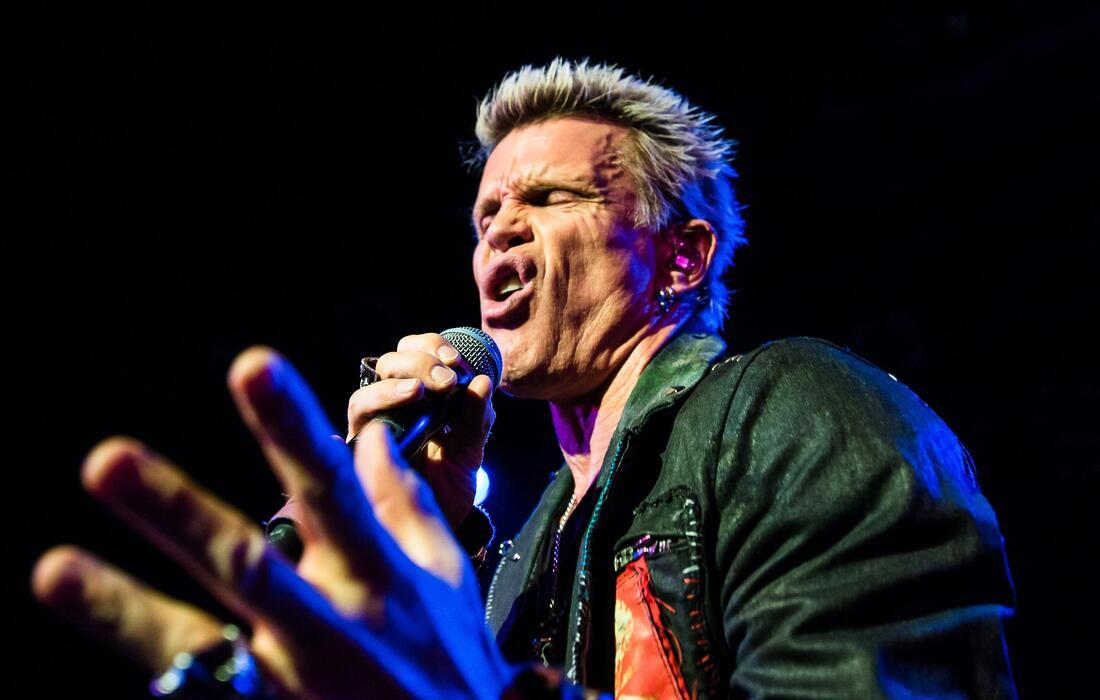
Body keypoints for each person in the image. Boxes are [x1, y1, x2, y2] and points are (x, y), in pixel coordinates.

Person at [32, 59, 1017, 698]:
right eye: (483, 217)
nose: (498, 230)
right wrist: (400, 531)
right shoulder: (520, 559)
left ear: (680, 258)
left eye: (546, 197)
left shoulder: (795, 407)